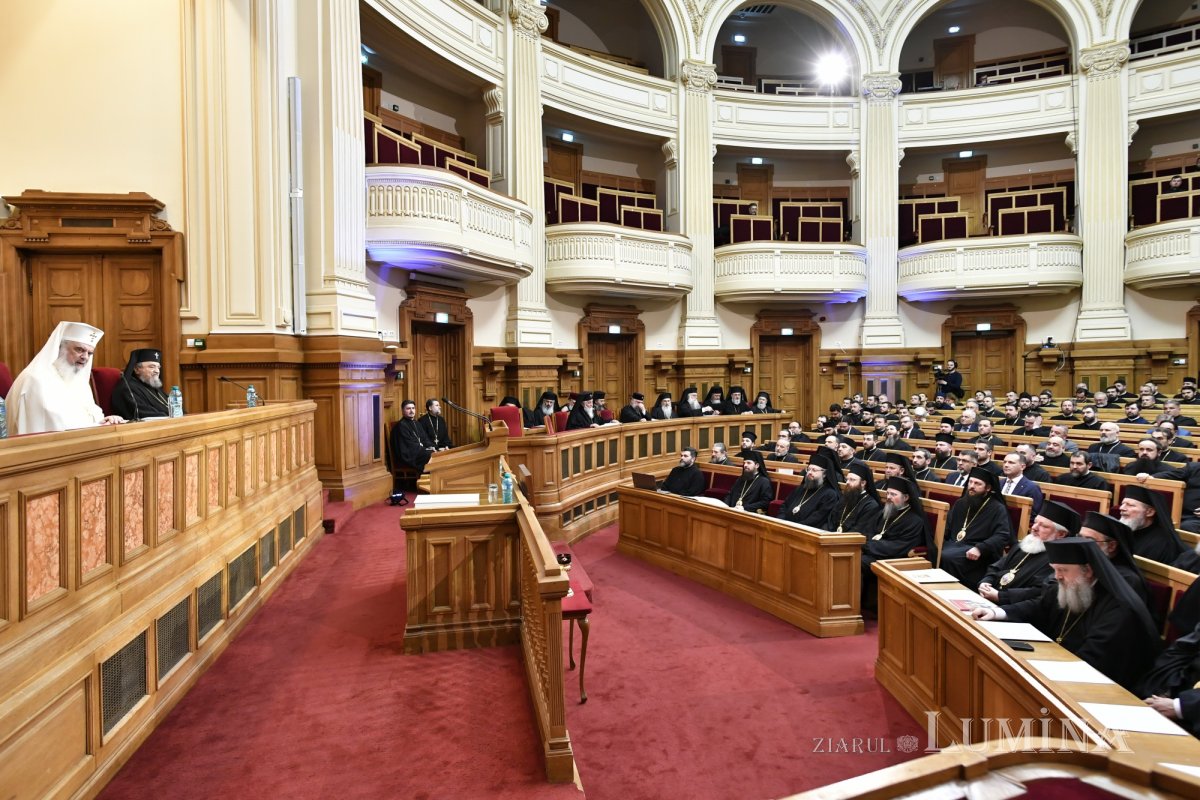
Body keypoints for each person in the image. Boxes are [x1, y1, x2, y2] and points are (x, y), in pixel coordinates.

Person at [972, 538, 1160, 692]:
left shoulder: (1118, 606)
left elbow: (1098, 655)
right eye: (1055, 569)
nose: (1057, 577)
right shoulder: (1072, 585)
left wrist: (1048, 670)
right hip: (1061, 666)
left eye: (1062, 570)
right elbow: (1039, 606)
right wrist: (996, 612)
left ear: (1089, 571)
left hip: (1100, 685)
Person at [7, 320, 124, 434]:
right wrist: (97, 427)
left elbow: (89, 415)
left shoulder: (78, 381)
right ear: (59, 348)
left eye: (89, 353)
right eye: (79, 349)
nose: (85, 357)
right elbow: (47, 428)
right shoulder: (34, 380)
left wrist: (106, 421)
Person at [978, 501, 1080, 605]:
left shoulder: (1059, 561)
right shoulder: (1027, 543)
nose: (1034, 528)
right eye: (1035, 522)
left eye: (1043, 526)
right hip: (989, 599)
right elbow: (997, 566)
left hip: (1014, 609)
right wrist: (986, 581)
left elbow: (1038, 591)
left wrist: (1001, 596)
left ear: (1061, 534)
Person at [939, 466, 1014, 588]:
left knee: (947, 557)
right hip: (954, 544)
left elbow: (1003, 535)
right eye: (970, 482)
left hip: (977, 549)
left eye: (977, 483)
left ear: (988, 488)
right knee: (934, 551)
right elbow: (947, 526)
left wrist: (980, 548)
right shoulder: (961, 503)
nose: (972, 486)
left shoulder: (997, 508)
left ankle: (953, 591)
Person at [862, 476, 930, 606]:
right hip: (872, 551)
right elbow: (868, 530)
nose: (888, 497)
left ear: (906, 498)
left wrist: (869, 546)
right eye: (887, 493)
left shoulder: (915, 521)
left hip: (892, 558)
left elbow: (899, 547)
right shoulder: (883, 512)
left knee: (857, 561)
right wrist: (866, 544)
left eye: (893, 494)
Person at [1118, 484, 1186, 565]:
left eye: (1130, 505)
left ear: (1149, 512)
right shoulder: (1120, 532)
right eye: (1123, 504)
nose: (1121, 508)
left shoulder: (1162, 545)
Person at [778, 449, 841, 527]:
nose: (810, 473)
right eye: (809, 469)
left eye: (814, 470)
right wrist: (781, 521)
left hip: (805, 532)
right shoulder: (801, 488)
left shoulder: (830, 495)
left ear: (824, 474)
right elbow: (785, 505)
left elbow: (817, 518)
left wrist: (795, 527)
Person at [111, 347, 170, 421]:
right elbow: (144, 414)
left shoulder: (155, 388)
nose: (157, 371)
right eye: (152, 367)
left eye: (158, 367)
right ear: (136, 369)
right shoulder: (128, 389)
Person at [827, 461, 882, 538]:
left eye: (852, 480)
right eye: (847, 479)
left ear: (863, 483)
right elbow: (831, 519)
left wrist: (836, 538)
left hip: (849, 544)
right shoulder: (845, 498)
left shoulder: (871, 505)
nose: (847, 483)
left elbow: (859, 531)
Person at [1147, 460, 1200, 533]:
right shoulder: (1194, 467)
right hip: (1179, 513)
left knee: (1187, 527)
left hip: (1196, 519)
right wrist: (1151, 477)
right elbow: (1173, 474)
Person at [391, 400, 435, 472]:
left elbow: (425, 438)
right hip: (408, 456)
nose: (411, 411)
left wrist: (431, 446)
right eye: (408, 409)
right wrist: (424, 449)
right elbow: (408, 446)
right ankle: (430, 480)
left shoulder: (417, 423)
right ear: (402, 410)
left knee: (436, 453)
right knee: (431, 455)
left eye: (413, 408)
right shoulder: (401, 426)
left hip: (418, 452)